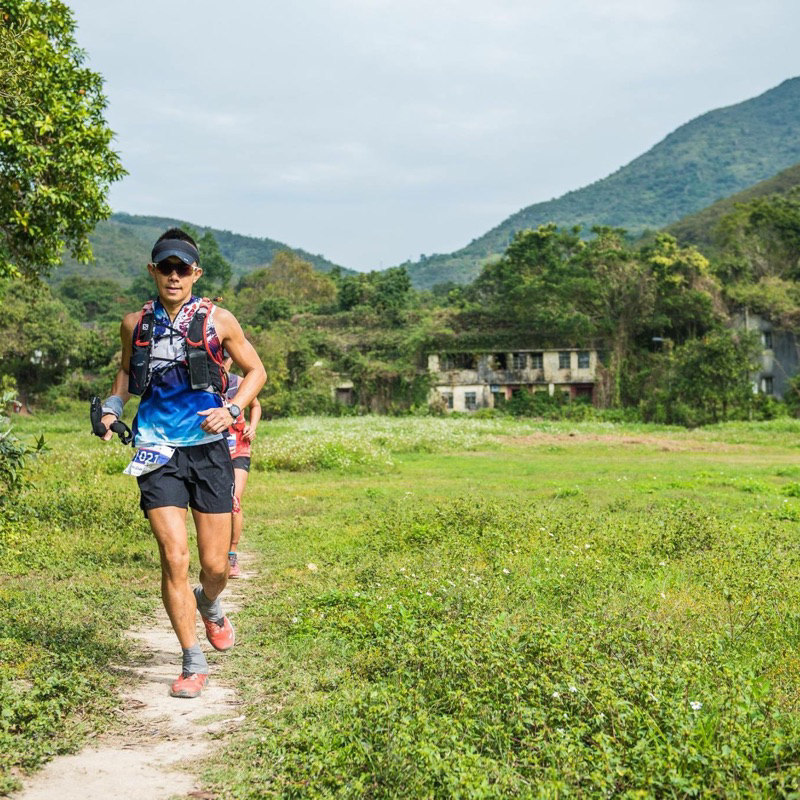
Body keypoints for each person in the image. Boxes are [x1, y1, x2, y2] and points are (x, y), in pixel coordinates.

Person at [98, 228, 266, 699]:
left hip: (209, 449)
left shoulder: (218, 320)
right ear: (152, 271)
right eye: (165, 267)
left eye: (182, 268)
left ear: (196, 273)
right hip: (156, 451)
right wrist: (112, 407)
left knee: (214, 567)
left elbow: (257, 371)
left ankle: (209, 604)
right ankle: (192, 661)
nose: (173, 276)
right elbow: (128, 374)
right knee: (174, 557)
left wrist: (233, 409)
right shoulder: (135, 323)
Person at [223, 357, 261, 578]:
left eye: (226, 358)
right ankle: (213, 553)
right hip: (213, 452)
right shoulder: (202, 385)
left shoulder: (240, 382)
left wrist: (252, 427)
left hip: (239, 450)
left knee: (234, 501)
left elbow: (255, 406)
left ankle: (232, 555)